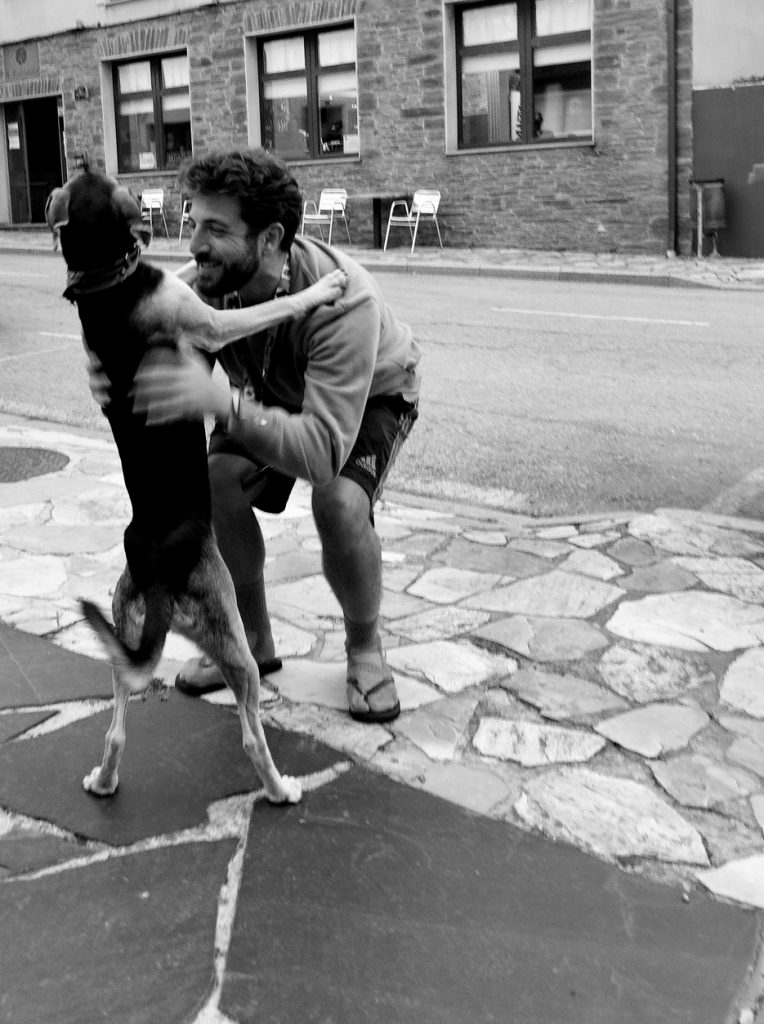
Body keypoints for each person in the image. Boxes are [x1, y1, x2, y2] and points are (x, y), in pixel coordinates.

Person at [130, 148, 421, 723]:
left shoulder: (343, 301)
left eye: (216, 229)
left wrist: (223, 403)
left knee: (339, 502)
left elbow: (321, 452)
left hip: (371, 395)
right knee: (216, 483)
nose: (194, 246)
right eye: (194, 223)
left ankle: (365, 648)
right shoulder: (208, 283)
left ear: (270, 239)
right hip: (266, 389)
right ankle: (253, 643)